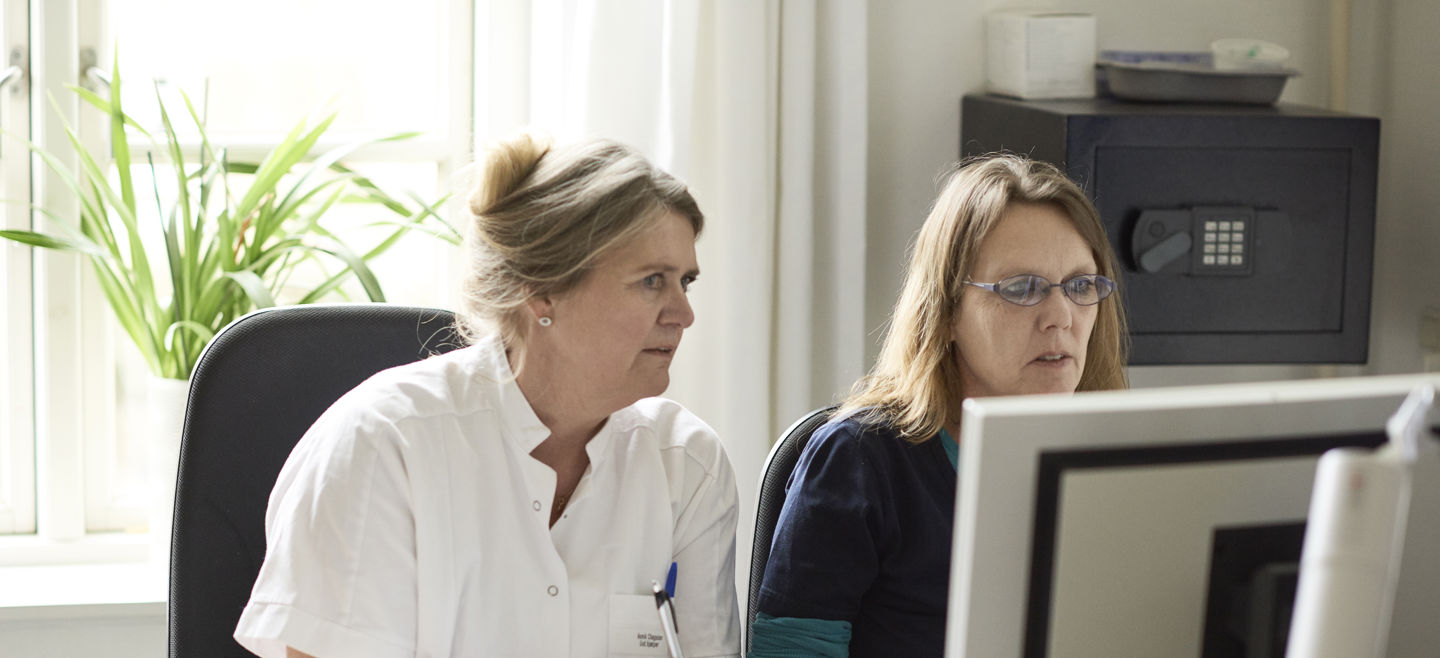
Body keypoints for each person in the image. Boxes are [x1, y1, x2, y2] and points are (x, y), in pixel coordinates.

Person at [233, 133, 742, 657]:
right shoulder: (383, 444)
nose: (684, 314)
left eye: (686, 281)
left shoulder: (686, 465)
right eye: (652, 281)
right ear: (543, 290)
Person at [750, 153, 1130, 656]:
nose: (1060, 316)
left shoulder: (1118, 458)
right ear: (947, 311)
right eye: (1022, 288)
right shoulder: (860, 459)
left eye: (1081, 286)